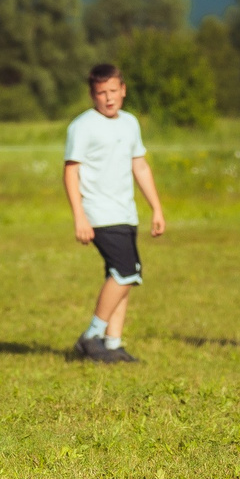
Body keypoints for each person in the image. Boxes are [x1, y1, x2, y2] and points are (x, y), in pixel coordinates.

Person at [63, 63, 167, 364]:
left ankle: (112, 345)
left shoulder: (130, 123)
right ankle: (91, 336)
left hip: (125, 213)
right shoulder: (83, 126)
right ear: (92, 95)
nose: (108, 98)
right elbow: (70, 172)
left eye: (113, 91)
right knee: (127, 272)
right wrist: (79, 216)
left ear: (123, 89)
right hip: (99, 213)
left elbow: (140, 166)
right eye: (101, 93)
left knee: (120, 277)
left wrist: (156, 208)